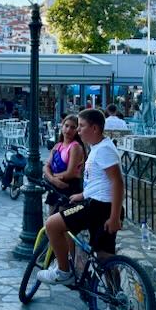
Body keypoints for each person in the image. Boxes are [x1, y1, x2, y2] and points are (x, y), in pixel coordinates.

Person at [37, 108, 124, 285]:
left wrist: (114, 217)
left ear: (94, 128)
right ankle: (116, 300)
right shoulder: (98, 148)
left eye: (81, 126)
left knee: (52, 225)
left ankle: (63, 271)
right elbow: (100, 181)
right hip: (98, 203)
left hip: (98, 207)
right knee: (104, 256)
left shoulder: (103, 150)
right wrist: (82, 194)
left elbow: (118, 182)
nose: (78, 130)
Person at [43, 115, 85, 214]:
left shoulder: (75, 147)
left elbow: (70, 173)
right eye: (66, 126)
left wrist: (50, 176)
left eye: (73, 127)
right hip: (55, 187)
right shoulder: (57, 146)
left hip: (69, 189)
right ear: (62, 126)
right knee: (51, 221)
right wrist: (53, 179)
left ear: (77, 130)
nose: (68, 130)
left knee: (63, 223)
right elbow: (46, 166)